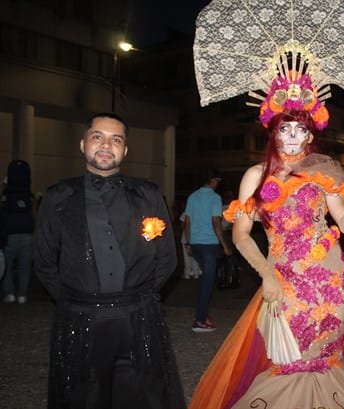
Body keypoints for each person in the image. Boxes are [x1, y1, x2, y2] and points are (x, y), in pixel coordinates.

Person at [189, 82, 344, 407]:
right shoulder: (256, 175)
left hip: (330, 281)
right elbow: (240, 234)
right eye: (285, 128)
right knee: (291, 360)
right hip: (281, 282)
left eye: (300, 129)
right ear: (274, 133)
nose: (293, 135)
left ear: (310, 136)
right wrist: (265, 274)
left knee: (323, 358)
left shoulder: (326, 170)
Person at [34, 112, 185, 409]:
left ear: (125, 150)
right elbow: (43, 261)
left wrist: (140, 296)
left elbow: (167, 258)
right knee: (84, 396)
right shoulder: (57, 196)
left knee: (142, 395)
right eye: (97, 137)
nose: (106, 145)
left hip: (138, 317)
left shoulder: (149, 194)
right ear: (82, 144)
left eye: (116, 140)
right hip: (81, 318)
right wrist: (73, 301)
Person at [184, 168, 232, 332]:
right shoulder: (214, 198)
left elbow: (187, 222)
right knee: (207, 283)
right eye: (217, 180)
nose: (218, 184)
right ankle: (200, 320)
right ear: (212, 181)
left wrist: (189, 244)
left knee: (206, 280)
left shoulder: (193, 196)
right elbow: (216, 222)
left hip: (196, 245)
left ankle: (202, 314)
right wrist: (225, 245)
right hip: (209, 245)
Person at [1, 159, 35, 304]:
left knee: (6, 266)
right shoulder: (29, 195)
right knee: (24, 266)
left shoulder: (6, 195)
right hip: (27, 234)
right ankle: (22, 295)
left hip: (9, 235)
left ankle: (9, 293)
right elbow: (34, 215)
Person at [179, 210, 202, 279]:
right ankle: (195, 273)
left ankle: (188, 273)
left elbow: (182, 226)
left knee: (187, 257)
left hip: (187, 238)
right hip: (195, 238)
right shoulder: (199, 212)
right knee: (196, 257)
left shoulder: (186, 212)